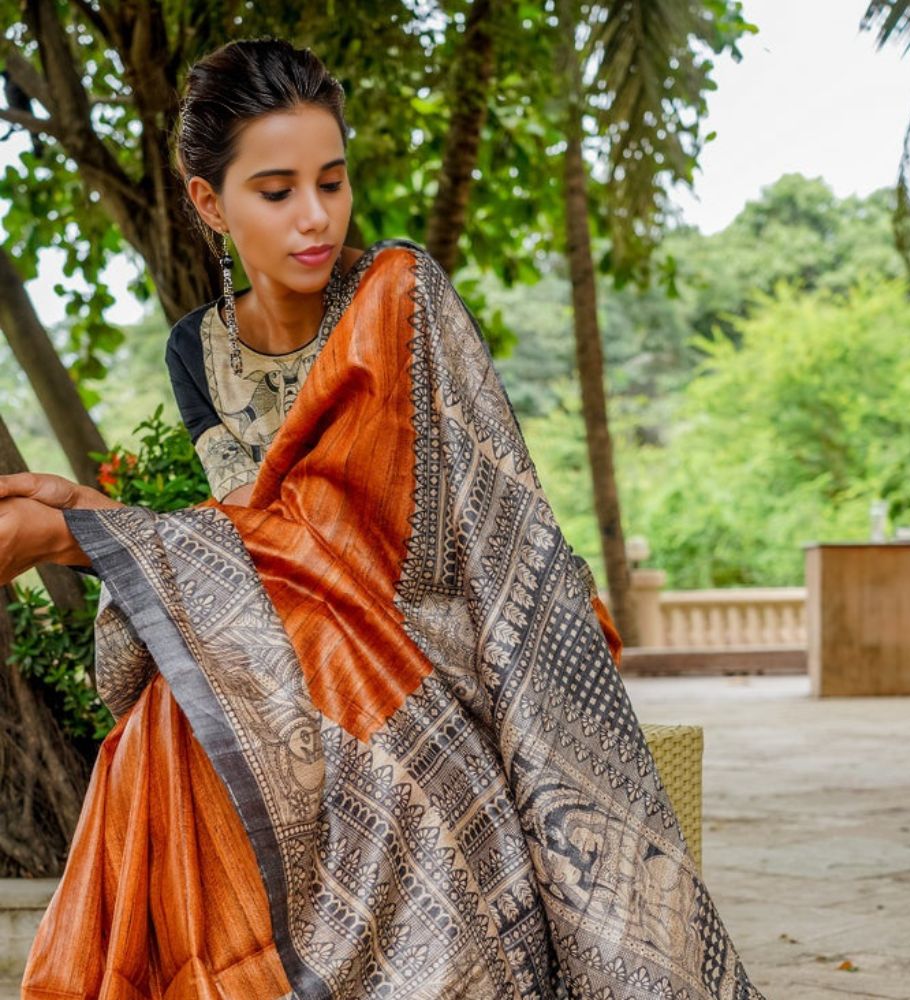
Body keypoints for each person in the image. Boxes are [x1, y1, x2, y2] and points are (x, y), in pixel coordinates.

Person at [2, 38, 765, 1000]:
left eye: (332, 180)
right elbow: (263, 525)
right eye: (276, 192)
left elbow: (377, 535)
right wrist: (89, 511)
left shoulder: (397, 296)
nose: (315, 217)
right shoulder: (200, 349)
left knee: (232, 689)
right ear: (209, 204)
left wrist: (77, 537)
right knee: (177, 710)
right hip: (298, 619)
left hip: (439, 623)